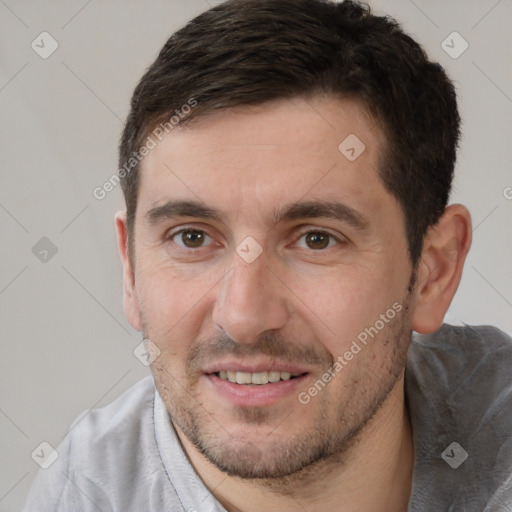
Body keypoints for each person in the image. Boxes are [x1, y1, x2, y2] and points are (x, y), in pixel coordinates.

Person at [23, 0, 512, 510]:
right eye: (192, 238)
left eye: (316, 239)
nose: (244, 317)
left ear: (433, 271)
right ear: (130, 269)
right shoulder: (82, 495)